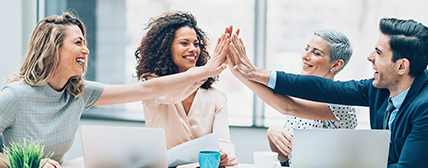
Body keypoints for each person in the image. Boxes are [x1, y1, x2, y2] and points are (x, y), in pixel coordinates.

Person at [0, 12, 229, 168]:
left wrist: (202, 72)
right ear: (53, 49)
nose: (86, 50)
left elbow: (146, 90)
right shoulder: (15, 95)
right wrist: (28, 163)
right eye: (78, 43)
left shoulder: (79, 93)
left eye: (85, 43)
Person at [227, 18, 428, 167]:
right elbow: (320, 88)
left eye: (379, 52)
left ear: (401, 66)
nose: (369, 57)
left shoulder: (424, 107)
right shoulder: (378, 89)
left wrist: (356, 161)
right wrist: (254, 73)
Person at [226, 27, 357, 166]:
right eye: (307, 48)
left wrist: (244, 74)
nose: (305, 56)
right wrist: (273, 135)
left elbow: (288, 107)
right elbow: (285, 159)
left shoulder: (343, 102)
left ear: (336, 65)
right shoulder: (301, 98)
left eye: (316, 53)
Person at [135, 11, 238, 167]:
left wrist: (224, 154)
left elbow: (224, 143)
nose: (193, 49)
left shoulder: (216, 97)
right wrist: (203, 73)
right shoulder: (150, 84)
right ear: (165, 48)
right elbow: (170, 94)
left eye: (196, 44)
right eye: (184, 43)